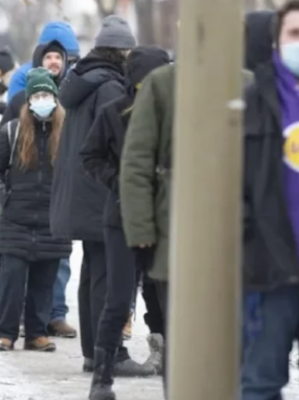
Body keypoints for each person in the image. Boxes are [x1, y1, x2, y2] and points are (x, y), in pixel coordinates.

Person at [119, 14, 260, 396]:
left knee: (232, 338)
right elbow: (136, 162)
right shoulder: (163, 84)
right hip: (172, 233)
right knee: (182, 338)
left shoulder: (249, 84)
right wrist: (142, 230)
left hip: (234, 234)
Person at [241, 1, 299, 398]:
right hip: (268, 275)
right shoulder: (251, 102)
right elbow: (234, 184)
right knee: (259, 385)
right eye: (294, 34)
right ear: (277, 42)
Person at [50, 15, 144, 376]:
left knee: (92, 273)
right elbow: (114, 140)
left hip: (80, 190)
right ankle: (110, 353)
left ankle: (93, 351)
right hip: (100, 191)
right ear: (121, 50)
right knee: (109, 274)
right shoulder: (109, 86)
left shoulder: (82, 81)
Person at [81, 46, 169, 399]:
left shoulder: (175, 114)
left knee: (166, 299)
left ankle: (174, 380)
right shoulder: (113, 113)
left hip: (164, 218)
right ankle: (101, 378)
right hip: (121, 215)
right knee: (117, 299)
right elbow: (89, 155)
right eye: (145, 81)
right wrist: (116, 179)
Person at [0, 68, 71, 352]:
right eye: (37, 95)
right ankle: (5, 333)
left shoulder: (67, 132)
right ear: (29, 100)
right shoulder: (12, 132)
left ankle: (36, 333)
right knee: (11, 280)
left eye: (47, 94)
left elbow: (77, 171)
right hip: (17, 219)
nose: (43, 99)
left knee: (43, 282)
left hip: (52, 219)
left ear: (56, 98)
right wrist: (5, 197)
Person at [7, 21, 80, 101]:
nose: (65, 66)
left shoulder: (74, 76)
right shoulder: (23, 77)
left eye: (71, 62)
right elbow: (15, 109)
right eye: (49, 57)